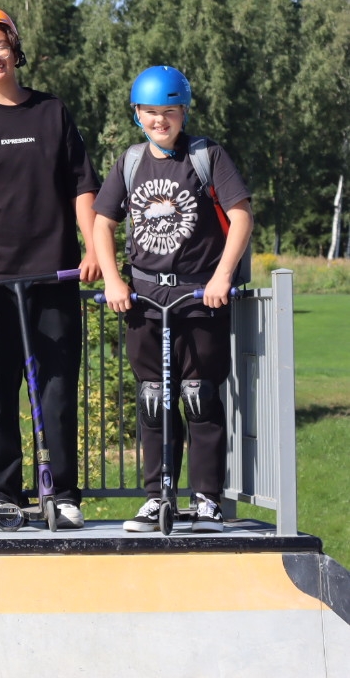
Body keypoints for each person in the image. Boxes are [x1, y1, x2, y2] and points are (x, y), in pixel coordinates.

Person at [0, 6, 100, 529]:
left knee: (56, 387)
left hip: (53, 273)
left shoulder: (52, 112)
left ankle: (64, 493)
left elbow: (82, 185)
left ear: (15, 47)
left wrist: (92, 249)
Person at [91, 65, 253, 533]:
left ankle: (206, 500)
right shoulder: (131, 161)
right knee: (153, 399)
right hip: (144, 299)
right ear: (137, 114)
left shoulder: (207, 156)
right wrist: (114, 282)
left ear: (183, 111)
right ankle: (155, 495)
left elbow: (241, 216)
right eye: (149, 113)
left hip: (200, 296)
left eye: (168, 112)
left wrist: (222, 277)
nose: (159, 121)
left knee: (199, 396)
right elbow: (103, 223)